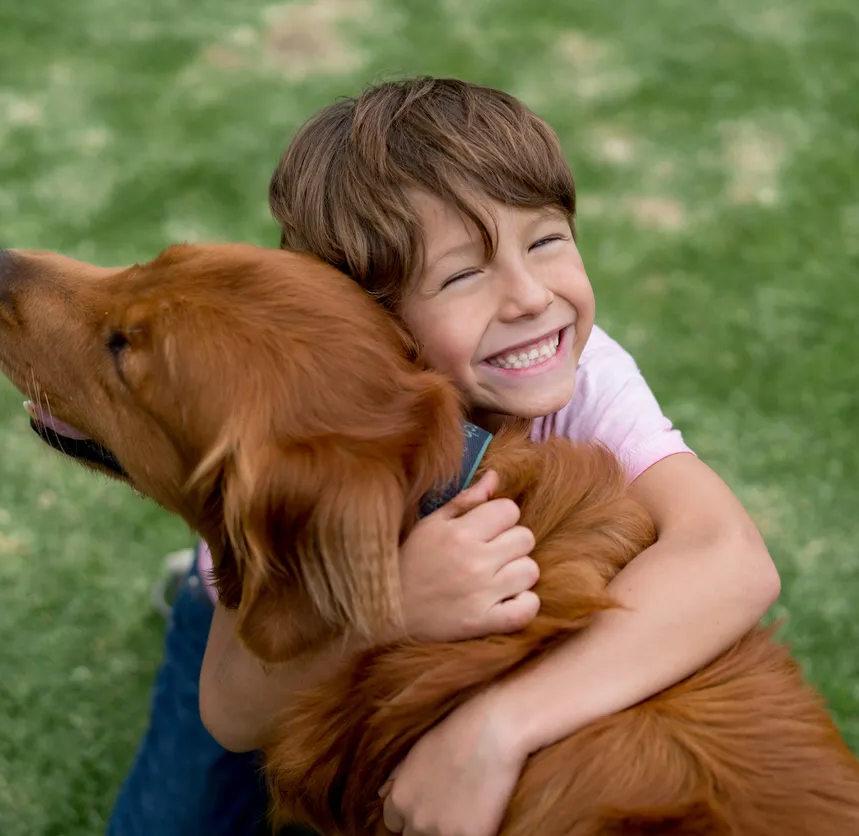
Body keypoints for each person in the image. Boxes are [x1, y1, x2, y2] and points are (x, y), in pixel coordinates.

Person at [109, 76, 781, 836]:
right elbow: (233, 713)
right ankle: (194, 589)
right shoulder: (298, 427)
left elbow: (731, 558)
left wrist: (499, 728)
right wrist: (388, 609)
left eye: (546, 240)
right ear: (375, 326)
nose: (531, 298)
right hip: (294, 615)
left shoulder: (586, 372)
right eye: (463, 274)